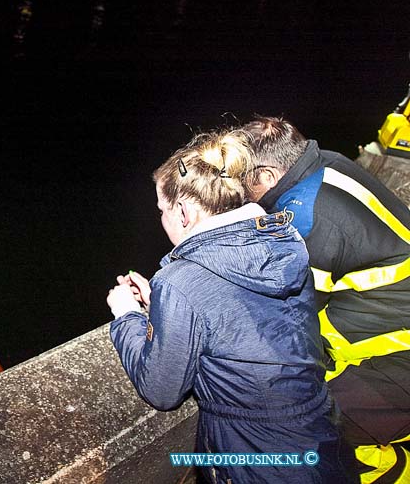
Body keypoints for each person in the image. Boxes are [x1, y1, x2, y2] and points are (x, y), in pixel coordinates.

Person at [107, 129, 357, 483]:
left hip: (259, 460)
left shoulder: (181, 281)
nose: (161, 219)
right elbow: (240, 314)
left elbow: (162, 389)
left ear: (182, 212)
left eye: (162, 209)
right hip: (322, 437)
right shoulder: (285, 241)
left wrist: (127, 315)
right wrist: (166, 307)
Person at [237, 116, 410, 483]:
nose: (236, 187)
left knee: (309, 424)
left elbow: (292, 318)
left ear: (267, 175)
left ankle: (390, 469)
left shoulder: (304, 220)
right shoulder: (324, 163)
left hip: (400, 354)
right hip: (391, 313)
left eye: (240, 176)